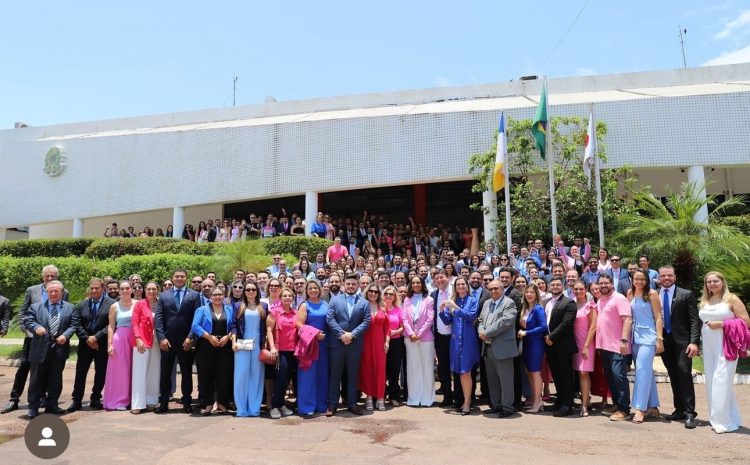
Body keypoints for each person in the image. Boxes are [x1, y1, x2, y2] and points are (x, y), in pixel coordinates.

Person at [2, 265, 69, 414]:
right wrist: (28, 331)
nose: (50, 278)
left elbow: (64, 313)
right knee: (25, 366)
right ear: (42, 276)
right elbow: (23, 312)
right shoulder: (32, 290)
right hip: (33, 337)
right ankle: (14, 399)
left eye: (53, 276)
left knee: (47, 368)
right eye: (47, 276)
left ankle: (43, 398)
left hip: (51, 341)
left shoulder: (64, 291)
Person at [699, 271, 750, 434]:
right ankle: (730, 418)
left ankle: (721, 422)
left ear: (723, 282)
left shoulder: (731, 299)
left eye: (715, 281)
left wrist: (721, 324)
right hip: (708, 347)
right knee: (712, 382)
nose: (712, 284)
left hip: (726, 345)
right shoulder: (705, 300)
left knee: (721, 381)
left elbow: (745, 321)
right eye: (709, 282)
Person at [20, 280, 78, 418]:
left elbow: (74, 324)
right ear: (46, 293)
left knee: (55, 379)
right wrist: (36, 327)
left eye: (56, 291)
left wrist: (66, 335)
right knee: (36, 380)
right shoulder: (35, 307)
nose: (53, 293)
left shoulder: (70, 308)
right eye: (50, 291)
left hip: (59, 349)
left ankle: (52, 405)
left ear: (62, 293)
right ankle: (33, 407)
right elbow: (27, 320)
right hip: (40, 349)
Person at [657, 266, 700, 428]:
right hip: (665, 342)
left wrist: (694, 342)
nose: (666, 278)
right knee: (673, 375)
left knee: (684, 373)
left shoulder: (686, 294)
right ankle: (679, 409)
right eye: (663, 276)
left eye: (669, 275)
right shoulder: (654, 294)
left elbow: (695, 320)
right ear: (659, 278)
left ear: (674, 277)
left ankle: (690, 413)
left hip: (683, 343)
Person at [155, 268, 202, 414]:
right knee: (165, 373)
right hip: (167, 342)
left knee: (187, 373)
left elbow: (197, 318)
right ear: (172, 278)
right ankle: (163, 403)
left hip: (185, 342)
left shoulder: (194, 295)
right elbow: (159, 318)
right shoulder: (163, 295)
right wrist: (161, 338)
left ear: (186, 278)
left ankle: (187, 402)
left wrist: (190, 337)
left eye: (182, 276)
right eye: (177, 276)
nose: (179, 278)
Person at [65, 278, 116, 412]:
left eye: (97, 288)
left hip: (102, 344)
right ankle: (76, 400)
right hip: (85, 345)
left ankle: (95, 398)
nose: (94, 291)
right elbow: (76, 323)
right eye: (92, 288)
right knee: (80, 373)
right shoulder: (82, 304)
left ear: (103, 289)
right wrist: (88, 339)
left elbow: (111, 324)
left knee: (101, 372)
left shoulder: (112, 304)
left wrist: (96, 337)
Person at [325, 274, 371, 416]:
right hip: (337, 344)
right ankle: (332, 405)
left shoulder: (364, 302)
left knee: (353, 375)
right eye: (349, 283)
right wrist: (341, 334)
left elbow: (367, 321)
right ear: (344, 284)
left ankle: (352, 403)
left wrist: (352, 334)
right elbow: (330, 318)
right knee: (335, 375)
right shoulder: (335, 300)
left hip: (354, 344)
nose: (351, 286)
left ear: (357, 285)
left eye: (354, 284)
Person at [438, 277, 479, 416]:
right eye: (458, 285)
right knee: (460, 372)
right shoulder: (454, 301)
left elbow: (470, 316)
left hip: (468, 340)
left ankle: (467, 402)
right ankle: (463, 401)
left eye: (463, 284)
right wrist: (442, 310)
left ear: (467, 287)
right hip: (456, 341)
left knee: (466, 372)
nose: (461, 286)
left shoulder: (472, 301)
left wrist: (454, 307)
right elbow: (448, 321)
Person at [478, 279, 517, 418]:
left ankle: (507, 408)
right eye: (491, 289)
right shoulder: (487, 303)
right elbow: (481, 320)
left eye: (496, 288)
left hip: (503, 347)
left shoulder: (509, 303)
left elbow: (505, 321)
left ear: (502, 289)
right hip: (488, 347)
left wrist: (486, 333)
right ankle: (496, 405)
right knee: (492, 379)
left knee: (506, 380)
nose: (493, 291)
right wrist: (481, 332)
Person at [595, 274, 633, 421]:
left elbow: (627, 319)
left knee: (619, 376)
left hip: (618, 346)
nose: (603, 286)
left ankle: (624, 409)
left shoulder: (619, 298)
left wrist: (624, 340)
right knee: (610, 376)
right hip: (604, 346)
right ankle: (617, 404)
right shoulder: (601, 300)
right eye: (601, 283)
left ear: (612, 283)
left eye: (606, 283)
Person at [628, 270, 663, 423]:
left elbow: (658, 317)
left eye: (642, 279)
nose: (639, 282)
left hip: (648, 337)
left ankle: (640, 408)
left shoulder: (652, 294)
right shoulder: (630, 293)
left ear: (647, 280)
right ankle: (653, 406)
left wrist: (659, 338)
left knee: (641, 371)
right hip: (633, 338)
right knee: (646, 372)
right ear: (632, 279)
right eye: (636, 278)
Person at [192, 288, 234, 415]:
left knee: (224, 375)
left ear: (224, 296)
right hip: (206, 345)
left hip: (225, 346)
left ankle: (222, 403)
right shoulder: (202, 309)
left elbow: (234, 326)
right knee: (206, 375)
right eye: (215, 295)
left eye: (220, 294)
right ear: (210, 296)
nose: (217, 297)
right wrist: (209, 337)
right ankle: (208, 403)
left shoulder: (230, 309)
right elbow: (195, 326)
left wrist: (228, 336)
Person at [543, 277, 578, 417]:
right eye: (553, 284)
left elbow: (567, 323)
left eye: (558, 284)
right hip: (549, 345)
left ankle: (567, 405)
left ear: (562, 286)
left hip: (563, 345)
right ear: (549, 287)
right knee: (556, 375)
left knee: (566, 376)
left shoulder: (569, 302)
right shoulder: (546, 302)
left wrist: (551, 337)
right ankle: (559, 401)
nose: (555, 287)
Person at [231, 281, 266, 417]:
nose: (250, 292)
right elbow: (233, 325)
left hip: (258, 344)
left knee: (257, 376)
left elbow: (267, 327)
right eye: (248, 290)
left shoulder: (263, 306)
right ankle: (241, 408)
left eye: (253, 289)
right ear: (244, 292)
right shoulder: (239, 306)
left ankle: (254, 408)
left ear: (257, 291)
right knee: (241, 375)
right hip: (242, 344)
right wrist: (233, 342)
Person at [295, 280, 329, 416]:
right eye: (310, 288)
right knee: (307, 376)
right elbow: (298, 324)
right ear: (306, 291)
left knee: (322, 375)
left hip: (324, 345)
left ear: (319, 290)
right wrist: (315, 334)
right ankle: (307, 407)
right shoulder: (304, 305)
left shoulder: (326, 304)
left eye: (315, 288)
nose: (313, 290)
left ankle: (321, 405)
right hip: (309, 344)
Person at [401, 276, 435, 408]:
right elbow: (404, 318)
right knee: (413, 368)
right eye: (413, 282)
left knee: (427, 367)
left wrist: (419, 334)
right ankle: (414, 398)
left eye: (418, 282)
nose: (416, 284)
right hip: (410, 338)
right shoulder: (407, 300)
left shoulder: (429, 299)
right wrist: (411, 333)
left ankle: (427, 398)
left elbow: (430, 319)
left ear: (422, 284)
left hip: (425, 338)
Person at [267, 288, 298, 418]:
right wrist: (273, 347)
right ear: (280, 298)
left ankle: (281, 404)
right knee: (281, 379)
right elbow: (269, 330)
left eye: (289, 296)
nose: (287, 298)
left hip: (294, 350)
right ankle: (274, 406)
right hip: (280, 351)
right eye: (284, 296)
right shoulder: (274, 312)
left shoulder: (296, 313)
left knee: (288, 379)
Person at [103, 281, 135, 411]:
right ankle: (119, 401)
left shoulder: (138, 304)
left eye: (127, 288)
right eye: (122, 288)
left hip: (135, 338)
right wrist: (109, 344)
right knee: (120, 371)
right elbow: (111, 326)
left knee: (135, 369)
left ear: (131, 289)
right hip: (120, 339)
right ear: (120, 291)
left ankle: (134, 399)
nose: (125, 290)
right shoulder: (114, 306)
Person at [131, 282, 161, 414]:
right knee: (139, 372)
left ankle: (151, 401)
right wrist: (138, 338)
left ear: (158, 290)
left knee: (154, 372)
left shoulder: (161, 303)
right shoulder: (140, 304)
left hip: (158, 342)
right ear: (145, 290)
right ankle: (137, 403)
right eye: (149, 289)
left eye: (154, 289)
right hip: (142, 341)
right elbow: (134, 323)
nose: (151, 291)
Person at [516, 284, 547, 413]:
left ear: (536, 295)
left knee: (535, 373)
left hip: (536, 344)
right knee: (529, 372)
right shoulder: (526, 308)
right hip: (527, 344)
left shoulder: (538, 309)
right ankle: (535, 400)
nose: (529, 294)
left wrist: (526, 333)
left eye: (531, 292)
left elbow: (543, 327)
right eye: (527, 292)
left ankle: (537, 402)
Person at [359, 285, 390, 411]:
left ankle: (380, 397)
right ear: (367, 293)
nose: (373, 293)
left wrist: (387, 341)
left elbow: (387, 328)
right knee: (367, 369)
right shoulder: (362, 307)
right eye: (370, 291)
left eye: (376, 292)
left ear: (379, 294)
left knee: (380, 370)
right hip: (365, 342)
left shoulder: (383, 307)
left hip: (380, 343)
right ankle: (369, 397)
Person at [572, 280, 597, 417]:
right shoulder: (572, 305)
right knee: (578, 373)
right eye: (576, 289)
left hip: (586, 344)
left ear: (586, 290)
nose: (578, 291)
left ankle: (584, 405)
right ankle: (585, 401)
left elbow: (593, 326)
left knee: (583, 373)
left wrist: (586, 346)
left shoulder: (590, 305)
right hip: (574, 344)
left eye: (581, 289)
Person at [383, 285, 405, 406]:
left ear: (394, 296)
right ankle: (381, 394)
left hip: (396, 342)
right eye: (386, 293)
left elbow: (403, 326)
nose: (388, 296)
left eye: (391, 294)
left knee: (394, 371)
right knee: (382, 370)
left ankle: (393, 396)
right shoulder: (380, 309)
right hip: (381, 343)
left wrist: (394, 332)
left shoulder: (398, 309)